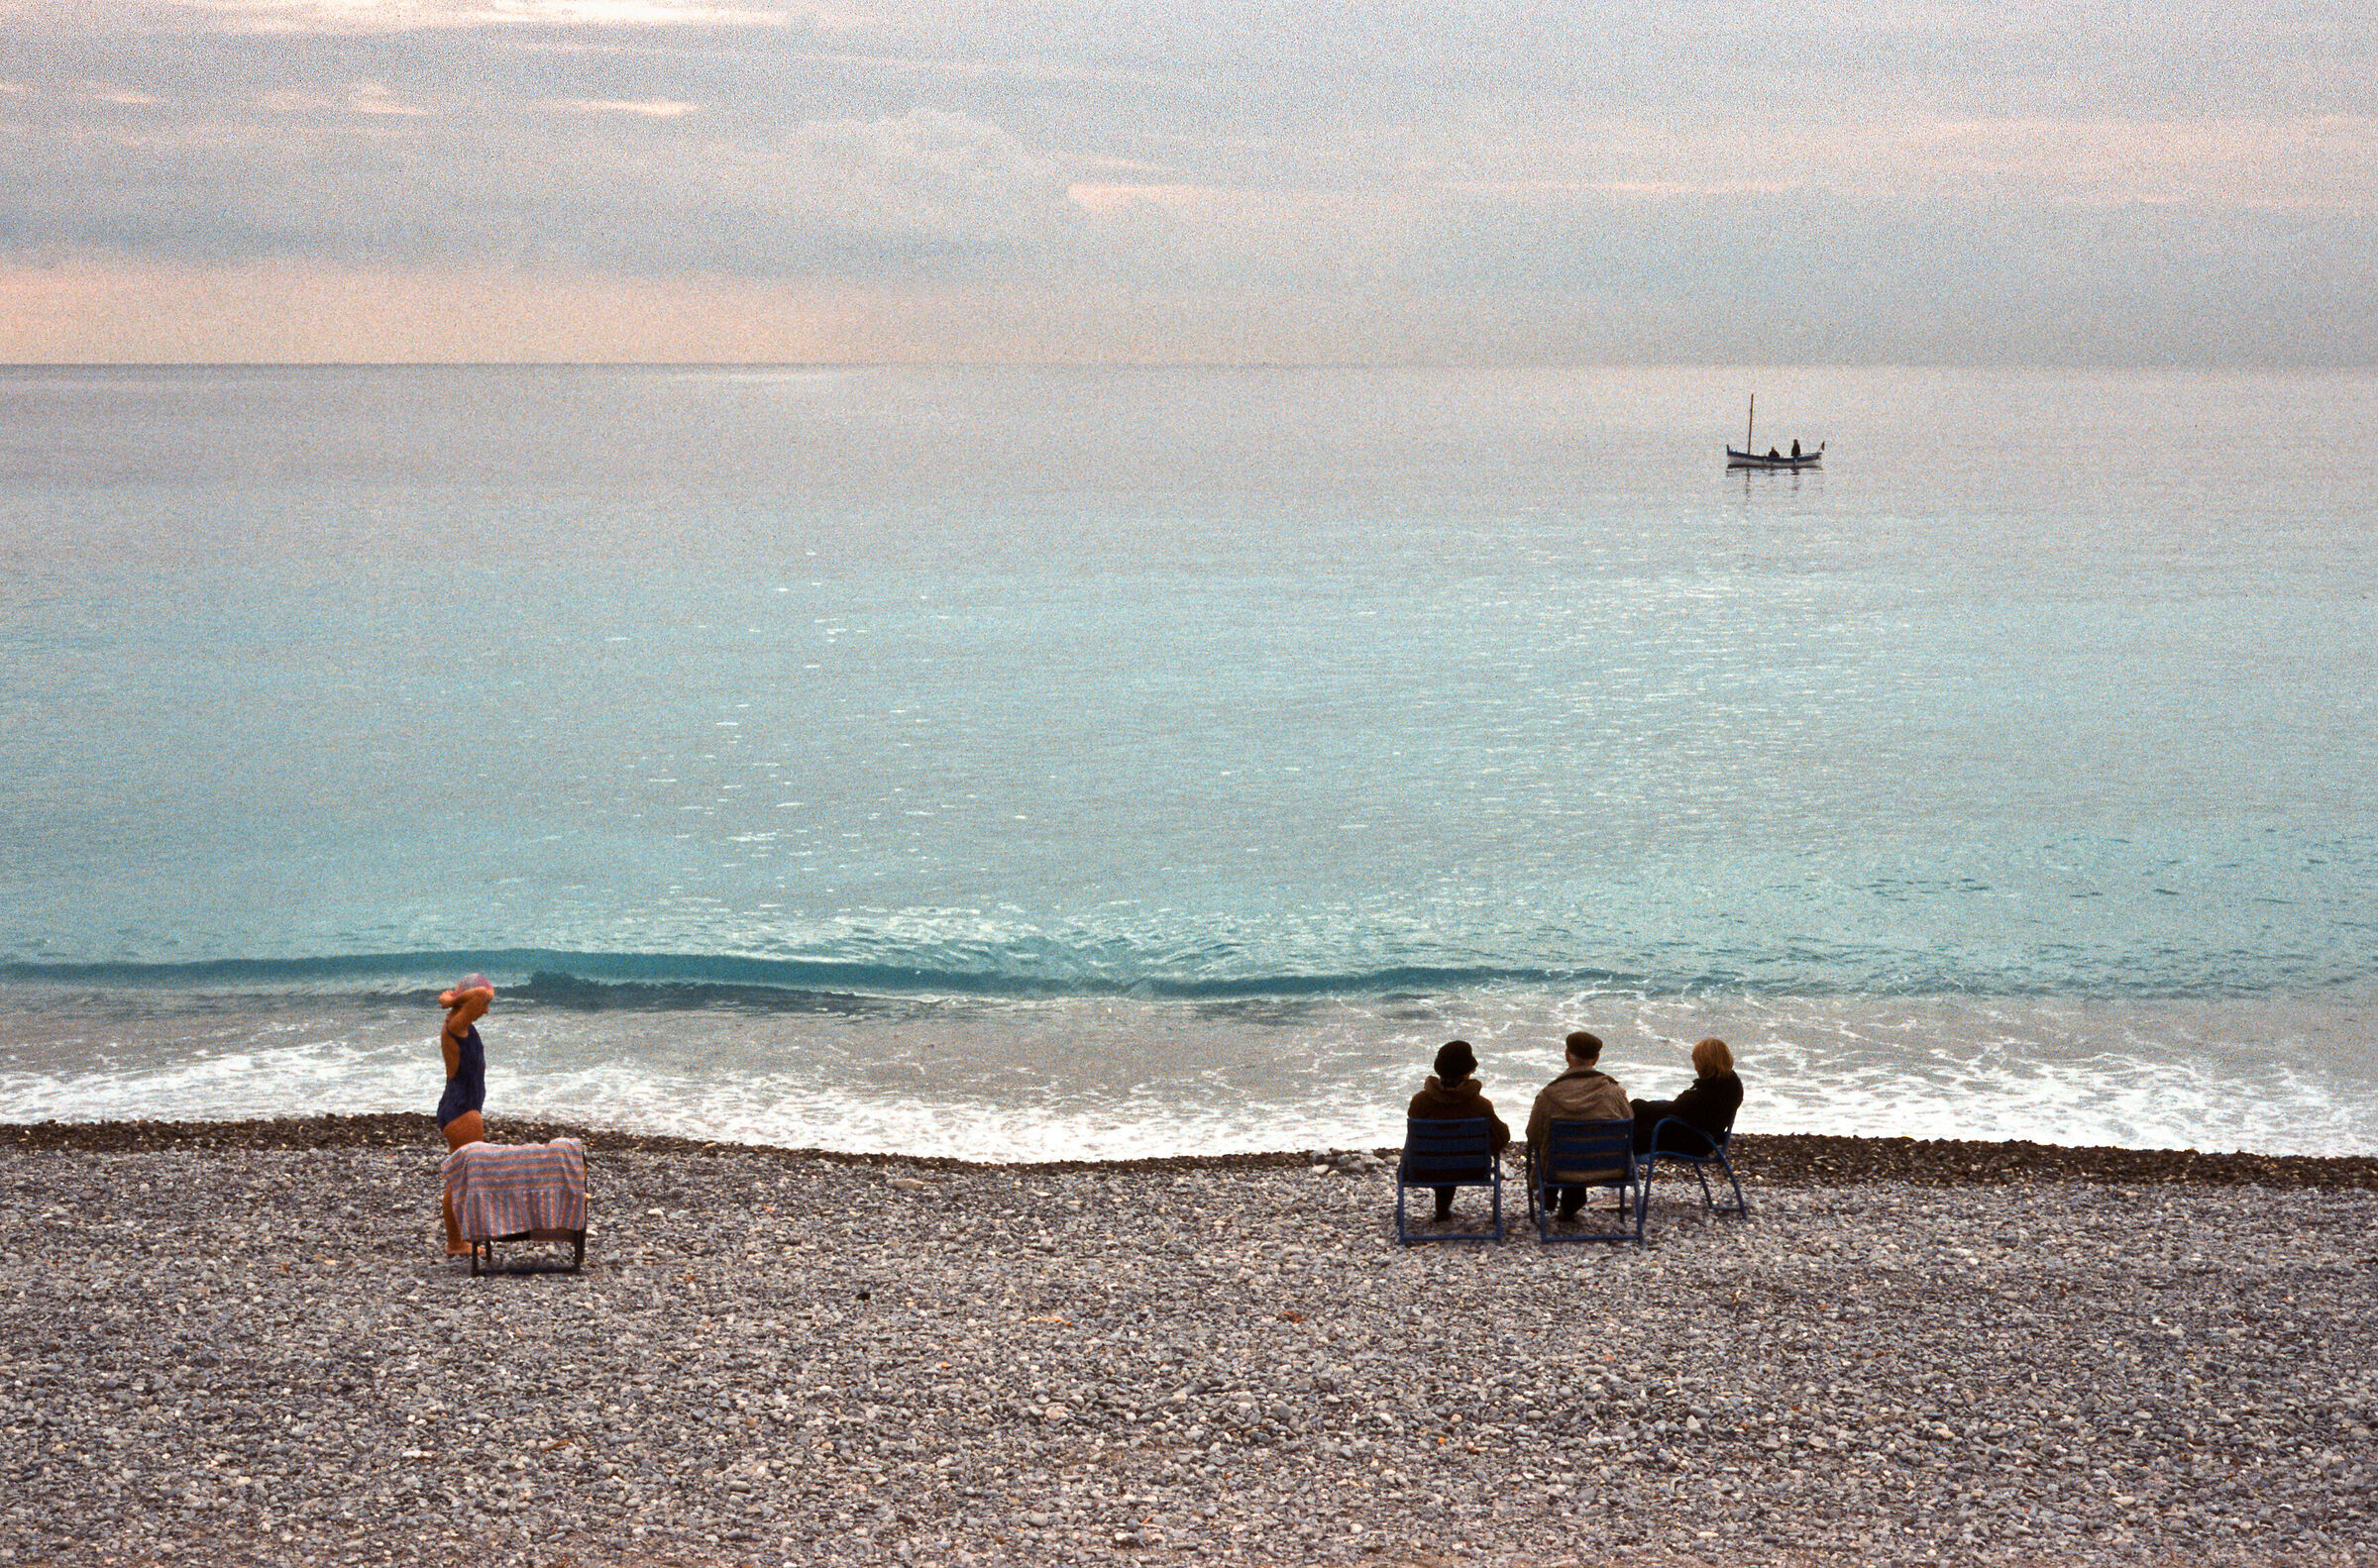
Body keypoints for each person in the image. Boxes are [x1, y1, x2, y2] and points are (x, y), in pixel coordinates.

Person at [1525, 1030, 1631, 1219]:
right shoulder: (1615, 1092)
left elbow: (1533, 1136)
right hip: (1609, 1168)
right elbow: (1629, 1124)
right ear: (1596, 1058)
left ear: (1567, 1055)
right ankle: (1571, 1201)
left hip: (1559, 1170)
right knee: (1586, 1145)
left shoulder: (1548, 1095)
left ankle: (1551, 1193)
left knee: (1553, 1147)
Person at [1405, 1039, 1510, 1221]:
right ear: (1467, 1072)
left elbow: (1413, 1137)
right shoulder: (1481, 1105)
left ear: (1439, 1069)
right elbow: (1502, 1137)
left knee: (1442, 1153)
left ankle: (1442, 1211)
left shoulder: (1419, 1101)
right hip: (1472, 1169)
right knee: (1451, 1156)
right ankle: (1443, 1210)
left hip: (1424, 1168)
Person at [435, 974, 494, 1256]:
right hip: (461, 1110)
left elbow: (481, 996)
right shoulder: (456, 1025)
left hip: (460, 1108)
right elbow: (482, 994)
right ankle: (455, 1242)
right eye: (483, 1006)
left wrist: (455, 1000)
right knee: (461, 1179)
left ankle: (456, 1240)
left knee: (458, 1178)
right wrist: (451, 1001)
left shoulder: (462, 1026)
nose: (486, 1010)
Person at [1630, 1036, 1743, 1155]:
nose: (1695, 1067)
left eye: (1696, 1061)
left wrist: (1643, 1107)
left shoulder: (1710, 1092)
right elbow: (1683, 1108)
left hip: (1693, 1141)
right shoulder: (1727, 1083)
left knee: (1637, 1116)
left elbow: (1677, 1110)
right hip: (1700, 1135)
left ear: (1706, 1063)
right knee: (1640, 1108)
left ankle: (1621, 1156)